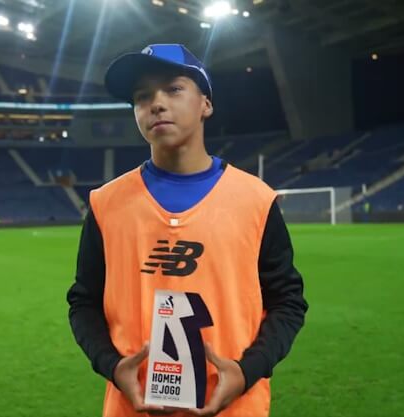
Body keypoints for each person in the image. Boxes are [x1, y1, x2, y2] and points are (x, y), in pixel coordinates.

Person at [67, 44, 308, 417]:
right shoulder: (106, 204)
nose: (156, 104)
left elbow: (287, 301)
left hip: (235, 408)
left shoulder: (255, 200)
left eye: (173, 89)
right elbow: (83, 302)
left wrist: (246, 372)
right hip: (134, 409)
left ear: (206, 104)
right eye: (142, 96)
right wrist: (113, 366)